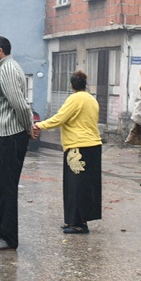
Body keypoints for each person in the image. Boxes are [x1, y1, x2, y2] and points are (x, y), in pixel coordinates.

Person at [32, 70, 102, 234]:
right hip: (94, 146)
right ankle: (76, 220)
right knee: (86, 186)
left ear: (71, 85)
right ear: (85, 84)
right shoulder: (92, 100)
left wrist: (40, 125)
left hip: (77, 146)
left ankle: (78, 224)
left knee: (75, 186)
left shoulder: (74, 99)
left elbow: (60, 118)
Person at [0, 36, 33, 250]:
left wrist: (29, 129)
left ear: (0, 51)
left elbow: (20, 105)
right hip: (4, 135)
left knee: (8, 188)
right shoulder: (3, 68)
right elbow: (0, 103)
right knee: (2, 187)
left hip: (12, 136)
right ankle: (3, 231)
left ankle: (9, 239)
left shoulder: (9, 69)